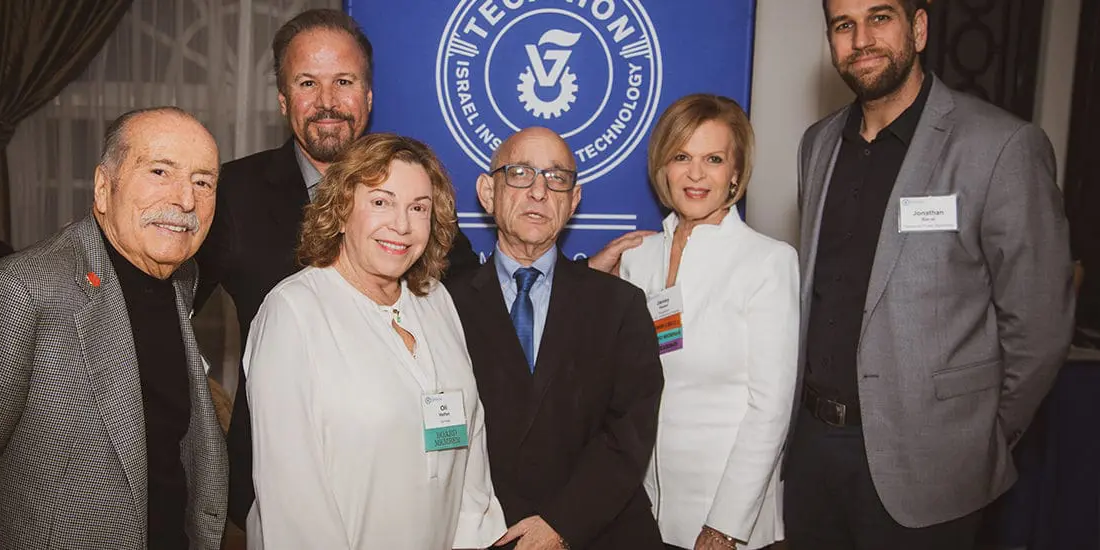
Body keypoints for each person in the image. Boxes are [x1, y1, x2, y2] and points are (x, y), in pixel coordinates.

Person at [784, 0, 1075, 548]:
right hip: (813, 453)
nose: (862, 38)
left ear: (918, 28)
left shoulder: (1000, 146)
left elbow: (1039, 325)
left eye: (880, 18)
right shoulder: (817, 144)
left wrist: (981, 438)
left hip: (932, 465)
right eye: (844, 25)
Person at [193, 8, 480, 529]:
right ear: (283, 100)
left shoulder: (416, 194)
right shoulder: (232, 194)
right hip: (284, 482)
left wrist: (548, 269)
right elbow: (164, 308)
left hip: (410, 483)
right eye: (307, 82)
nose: (327, 101)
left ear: (369, 97)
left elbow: (464, 312)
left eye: (343, 82)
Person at [0, 106, 228, 549]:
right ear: (102, 187)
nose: (185, 200)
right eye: (159, 171)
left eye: (202, 182)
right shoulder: (16, 293)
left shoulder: (177, 282)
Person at [244, 133, 506, 549]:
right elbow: (293, 500)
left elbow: (471, 461)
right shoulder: (293, 312)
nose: (401, 225)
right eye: (381, 202)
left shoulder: (436, 300)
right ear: (343, 207)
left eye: (418, 208)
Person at [446, 127, 664, 549]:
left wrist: (561, 524)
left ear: (573, 200)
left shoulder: (620, 305)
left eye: (556, 178)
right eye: (521, 173)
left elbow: (629, 433)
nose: (539, 191)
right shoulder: (443, 305)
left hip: (603, 532)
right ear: (488, 192)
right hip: (491, 535)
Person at [612, 95, 799, 550]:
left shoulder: (768, 262)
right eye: (682, 157)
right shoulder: (638, 259)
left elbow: (770, 409)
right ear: (663, 168)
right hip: (640, 513)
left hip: (725, 523)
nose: (696, 174)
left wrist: (724, 526)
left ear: (735, 172)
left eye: (713, 159)